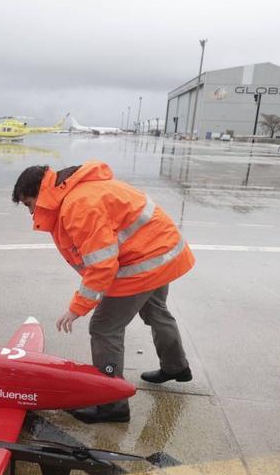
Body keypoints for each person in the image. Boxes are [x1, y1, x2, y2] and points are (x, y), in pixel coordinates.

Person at [11, 162, 196, 423]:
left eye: (29, 204)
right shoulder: (78, 190)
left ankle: (112, 404)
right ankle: (176, 367)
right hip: (161, 252)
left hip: (143, 262)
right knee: (156, 311)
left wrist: (77, 308)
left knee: (103, 328)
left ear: (40, 193)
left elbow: (102, 264)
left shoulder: (78, 206)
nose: (32, 213)